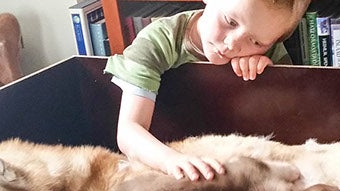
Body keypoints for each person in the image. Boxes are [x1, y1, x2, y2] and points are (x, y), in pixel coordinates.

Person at [105, 0, 307, 181]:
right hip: (167, 163)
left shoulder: (268, 51)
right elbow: (128, 131)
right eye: (230, 21)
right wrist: (171, 161)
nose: (232, 44)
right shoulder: (157, 42)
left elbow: (291, 125)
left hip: (240, 167)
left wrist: (266, 77)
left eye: (255, 42)